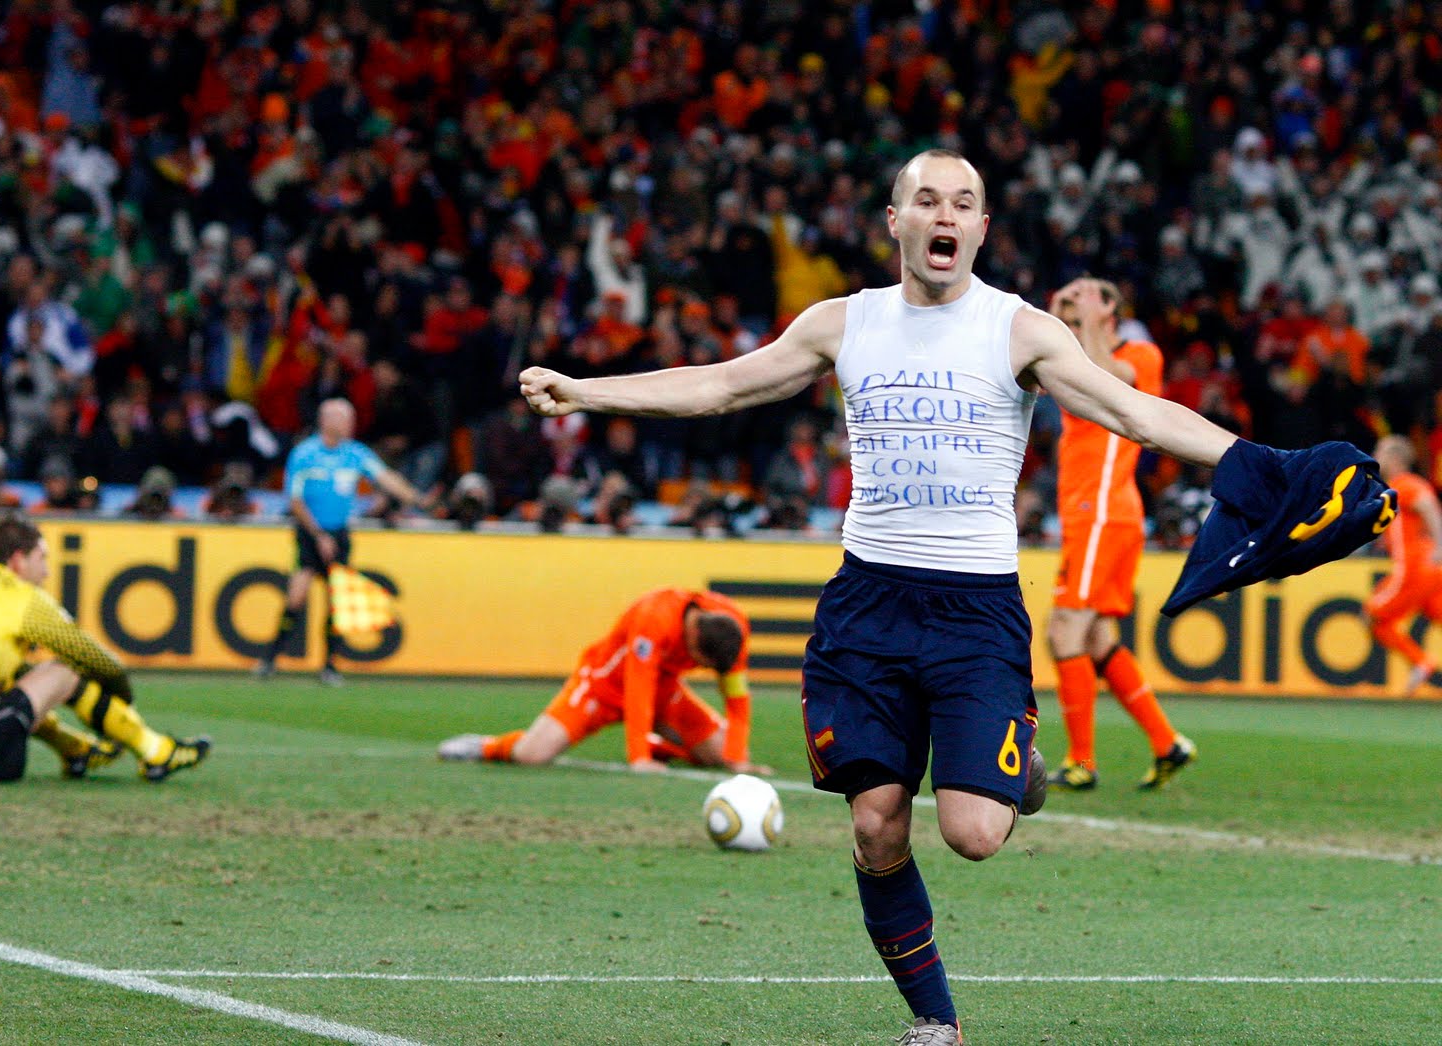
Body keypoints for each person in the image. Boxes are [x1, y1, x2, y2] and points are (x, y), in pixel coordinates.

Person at [515, 150, 1242, 1045]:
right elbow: (720, 385)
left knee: (974, 833)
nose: (946, 215)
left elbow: (1139, 413)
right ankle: (937, 1021)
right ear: (896, 221)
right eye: (927, 200)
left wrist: (1260, 464)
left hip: (976, 609)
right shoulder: (843, 322)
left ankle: (1013, 765)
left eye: (964, 203)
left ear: (981, 229)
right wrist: (584, 392)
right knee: (876, 824)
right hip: (868, 604)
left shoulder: (1019, 330)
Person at [0, 512, 210, 783]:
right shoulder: (18, 596)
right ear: (18, 560)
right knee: (64, 671)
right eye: (42, 558)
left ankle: (76, 749)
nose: (47, 572)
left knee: (6, 682)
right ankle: (154, 750)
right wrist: (123, 695)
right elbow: (95, 659)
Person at [1045, 277, 1195, 792]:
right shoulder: (1071, 353)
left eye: (1086, 294)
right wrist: (1059, 313)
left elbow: (1103, 377)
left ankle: (1080, 762)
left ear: (1110, 306)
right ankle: (1167, 743)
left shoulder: (1141, 355)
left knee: (1065, 630)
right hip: (1091, 513)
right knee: (1096, 637)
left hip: (1102, 511)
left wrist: (1086, 320)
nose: (1076, 302)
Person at [436, 588, 770, 775]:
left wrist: (737, 759)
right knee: (531, 755)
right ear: (693, 635)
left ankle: (661, 747)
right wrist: (639, 758)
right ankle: (486, 746)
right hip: (603, 685)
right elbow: (638, 687)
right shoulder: (655, 617)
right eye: (701, 663)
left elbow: (737, 697)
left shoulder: (733, 630)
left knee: (723, 753)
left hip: (663, 690)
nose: (703, 670)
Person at [254, 398, 427, 685]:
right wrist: (319, 535)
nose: (350, 424)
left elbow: (386, 478)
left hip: (340, 534)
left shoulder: (355, 453)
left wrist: (418, 499)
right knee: (297, 596)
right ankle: (270, 658)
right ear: (326, 421)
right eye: (345, 419)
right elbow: (295, 501)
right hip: (310, 532)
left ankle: (329, 666)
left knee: (338, 601)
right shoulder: (305, 454)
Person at [1365, 435, 1442, 695]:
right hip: (1428, 569)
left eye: (1381, 451)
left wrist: (1440, 546)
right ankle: (1421, 662)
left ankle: (1421, 662)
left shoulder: (1405, 484)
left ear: (1396, 457)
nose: (1375, 456)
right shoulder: (1397, 487)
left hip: (1414, 569)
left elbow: (1428, 506)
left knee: (1372, 615)